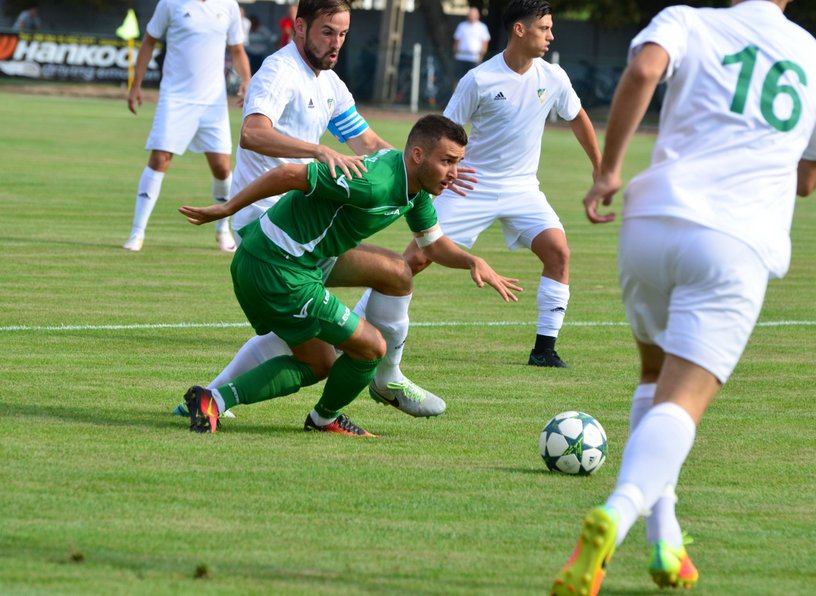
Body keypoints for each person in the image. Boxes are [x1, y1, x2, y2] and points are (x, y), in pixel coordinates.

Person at [551, 1, 816, 593]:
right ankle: (617, 514)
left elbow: (643, 71)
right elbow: (811, 179)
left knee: (653, 378)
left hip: (651, 220)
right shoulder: (814, 57)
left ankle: (666, 540)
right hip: (733, 240)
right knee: (682, 400)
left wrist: (609, 172)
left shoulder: (688, 18)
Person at [170, 0, 474, 422]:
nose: (337, 43)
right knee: (359, 299)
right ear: (300, 28)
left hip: (300, 216)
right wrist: (316, 149)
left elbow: (369, 145)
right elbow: (253, 133)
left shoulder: (329, 83)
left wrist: (423, 167)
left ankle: (211, 399)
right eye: (328, 32)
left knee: (388, 278)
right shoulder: (279, 72)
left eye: (344, 34)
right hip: (267, 218)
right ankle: (382, 377)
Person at [177, 115, 522, 436]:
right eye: (447, 161)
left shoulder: (413, 190)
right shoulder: (373, 182)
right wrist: (226, 209)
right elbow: (290, 176)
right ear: (418, 155)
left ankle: (216, 400)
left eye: (458, 162)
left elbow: (432, 245)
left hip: (287, 263)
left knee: (322, 358)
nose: (454, 172)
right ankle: (323, 415)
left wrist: (472, 261)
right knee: (371, 347)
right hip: (278, 268)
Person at [355, 0, 602, 369]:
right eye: (544, 28)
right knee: (416, 259)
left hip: (523, 189)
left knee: (558, 253)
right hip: (470, 187)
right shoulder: (479, 79)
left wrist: (601, 168)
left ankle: (544, 351)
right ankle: (355, 329)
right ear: (520, 29)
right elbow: (444, 132)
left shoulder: (554, 78)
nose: (551, 35)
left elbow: (578, 117)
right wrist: (452, 170)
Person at [123, 0, 251, 253]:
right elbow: (149, 41)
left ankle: (222, 230)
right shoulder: (170, 3)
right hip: (175, 97)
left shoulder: (229, 6)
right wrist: (135, 84)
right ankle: (137, 232)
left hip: (213, 102)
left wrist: (247, 82)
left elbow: (237, 50)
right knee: (160, 159)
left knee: (222, 167)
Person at [452, 6, 490, 85]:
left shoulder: (482, 27)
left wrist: (480, 57)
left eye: (473, 14)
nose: (471, 16)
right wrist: (456, 54)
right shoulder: (461, 26)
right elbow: (457, 41)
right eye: (470, 14)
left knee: (474, 81)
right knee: (458, 80)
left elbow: (485, 43)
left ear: (478, 15)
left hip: (474, 59)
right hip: (461, 58)